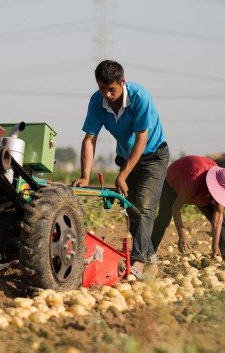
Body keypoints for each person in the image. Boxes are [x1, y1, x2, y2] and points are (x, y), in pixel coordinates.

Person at [72, 60, 169, 279]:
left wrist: (122, 175)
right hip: (126, 157)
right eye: (102, 88)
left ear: (122, 82)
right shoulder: (97, 102)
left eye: (112, 89)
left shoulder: (139, 97)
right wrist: (85, 176)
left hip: (154, 156)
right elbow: (89, 139)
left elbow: (141, 139)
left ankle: (137, 262)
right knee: (131, 210)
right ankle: (150, 259)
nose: (107, 94)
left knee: (144, 208)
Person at [151, 156, 225, 260]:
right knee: (164, 218)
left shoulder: (222, 180)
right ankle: (149, 251)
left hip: (199, 186)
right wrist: (182, 233)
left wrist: (215, 245)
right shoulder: (195, 180)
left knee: (220, 218)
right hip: (173, 181)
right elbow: (176, 207)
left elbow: (218, 214)